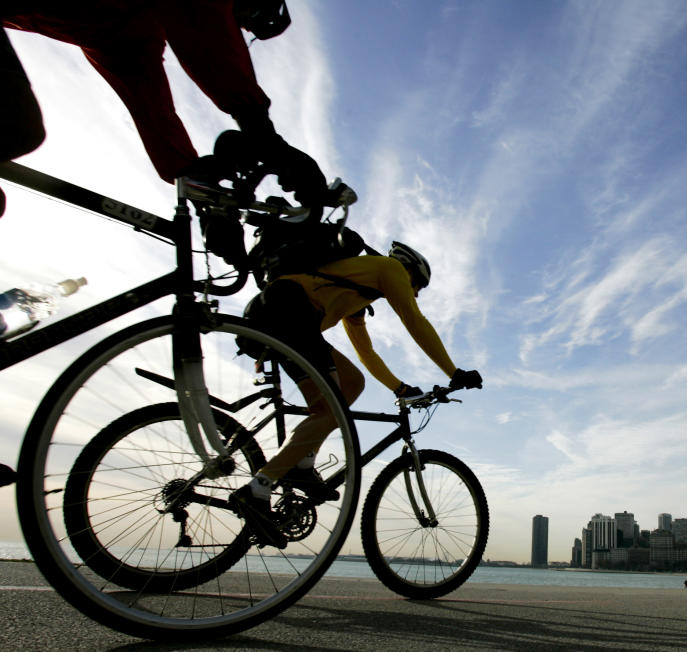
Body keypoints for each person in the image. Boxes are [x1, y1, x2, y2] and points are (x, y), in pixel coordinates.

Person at [230, 242, 483, 547]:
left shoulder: (358, 293)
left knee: (351, 384)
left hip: (290, 317)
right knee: (332, 405)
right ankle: (258, 487)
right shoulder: (389, 269)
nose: (414, 293)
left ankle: (301, 464)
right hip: (290, 309)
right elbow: (414, 319)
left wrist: (399, 388)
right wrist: (453, 372)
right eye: (418, 285)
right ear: (409, 270)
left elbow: (366, 353)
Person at [1, 1, 330, 206]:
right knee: (16, 126)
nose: (233, 24)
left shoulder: (128, 26)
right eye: (237, 14)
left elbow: (150, 105)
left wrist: (190, 179)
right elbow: (200, 16)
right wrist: (261, 132)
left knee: (18, 126)